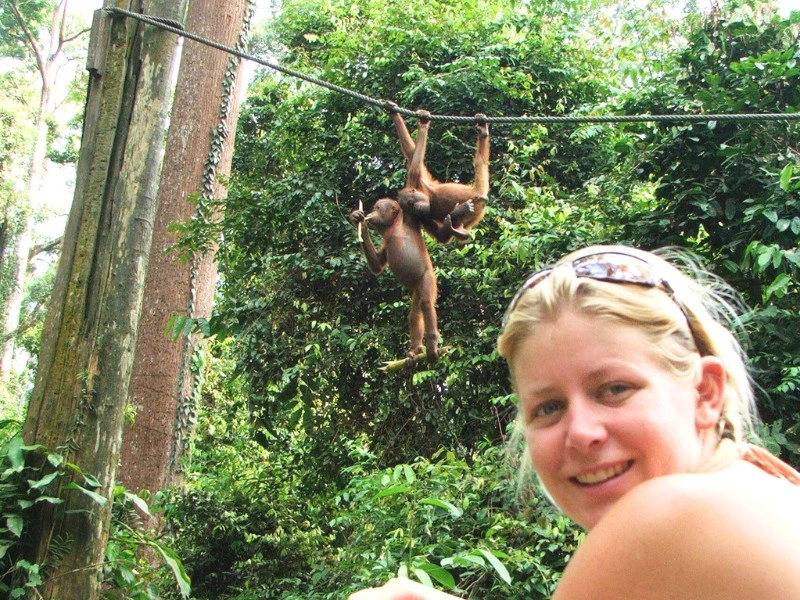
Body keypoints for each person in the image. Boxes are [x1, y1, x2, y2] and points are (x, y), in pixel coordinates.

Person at [349, 245, 800, 600]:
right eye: (548, 408)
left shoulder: (663, 516)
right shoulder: (763, 482)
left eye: (615, 389)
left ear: (705, 393)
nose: (582, 432)